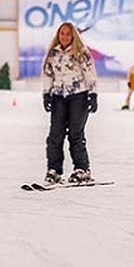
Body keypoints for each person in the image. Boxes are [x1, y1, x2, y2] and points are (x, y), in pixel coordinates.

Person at [42, 22, 98, 184]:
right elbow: (47, 75)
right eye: (62, 34)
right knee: (55, 135)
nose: (65, 37)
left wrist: (93, 94)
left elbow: (90, 73)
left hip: (78, 96)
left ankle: (82, 169)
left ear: (73, 36)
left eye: (68, 34)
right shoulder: (53, 54)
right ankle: (54, 170)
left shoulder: (81, 52)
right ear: (58, 35)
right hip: (59, 96)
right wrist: (46, 94)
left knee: (75, 133)